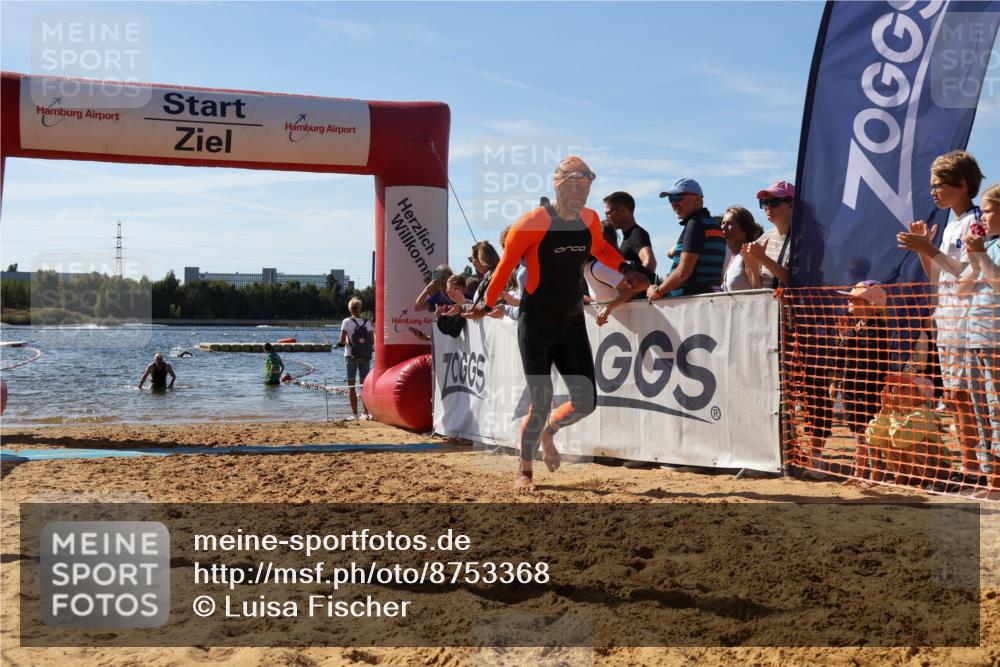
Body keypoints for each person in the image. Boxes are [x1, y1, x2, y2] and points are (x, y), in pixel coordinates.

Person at [478, 156, 641, 493]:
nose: (582, 193)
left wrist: (625, 267)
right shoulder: (531, 223)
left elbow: (602, 249)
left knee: (586, 401)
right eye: (576, 186)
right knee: (540, 402)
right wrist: (486, 302)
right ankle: (525, 470)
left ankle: (548, 432)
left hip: (570, 320)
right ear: (559, 184)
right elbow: (504, 267)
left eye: (587, 187)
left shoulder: (591, 219)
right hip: (536, 321)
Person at [896, 150, 985, 483]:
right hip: (948, 321)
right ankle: (970, 465)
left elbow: (969, 273)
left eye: (938, 185)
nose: (932, 192)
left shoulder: (977, 221)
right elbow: (938, 277)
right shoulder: (950, 224)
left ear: (961, 184)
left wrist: (929, 248)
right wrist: (924, 250)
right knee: (955, 398)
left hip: (972, 322)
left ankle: (980, 467)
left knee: (972, 398)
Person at [957, 182, 1000, 486]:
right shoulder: (987, 246)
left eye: (987, 210)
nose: (982, 217)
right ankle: (991, 478)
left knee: (997, 410)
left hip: (996, 342)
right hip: (975, 339)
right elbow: (961, 289)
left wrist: (981, 255)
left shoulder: (988, 248)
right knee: (980, 408)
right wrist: (975, 261)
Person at [647, 178, 726, 301]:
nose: (673, 203)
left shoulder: (695, 223)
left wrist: (657, 292)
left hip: (689, 301)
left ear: (697, 199)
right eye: (670, 199)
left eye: (678, 197)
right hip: (706, 299)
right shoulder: (711, 223)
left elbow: (683, 272)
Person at [866, 373, 943, 488]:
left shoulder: (923, 412)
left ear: (920, 394)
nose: (897, 390)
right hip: (914, 469)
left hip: (938, 467)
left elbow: (901, 440)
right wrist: (885, 411)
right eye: (897, 387)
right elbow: (872, 438)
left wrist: (895, 411)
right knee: (881, 435)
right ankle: (902, 476)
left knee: (911, 441)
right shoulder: (899, 410)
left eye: (904, 387)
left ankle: (932, 481)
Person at [744, 180, 795, 288]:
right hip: (770, 304)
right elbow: (758, 288)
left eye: (774, 202)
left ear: (792, 204)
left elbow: (797, 282)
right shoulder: (764, 239)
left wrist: (762, 258)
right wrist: (752, 267)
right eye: (764, 202)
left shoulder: (804, 239)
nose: (768, 207)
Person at [604, 191, 657, 281]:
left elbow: (650, 263)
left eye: (608, 213)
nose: (606, 217)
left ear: (622, 210)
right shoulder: (629, 236)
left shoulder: (636, 234)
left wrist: (634, 289)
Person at [338, 297, 374, 420]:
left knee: (351, 386)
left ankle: (355, 415)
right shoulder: (367, 322)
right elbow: (372, 340)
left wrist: (340, 344)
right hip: (365, 356)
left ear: (350, 308)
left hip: (350, 355)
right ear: (360, 308)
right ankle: (367, 413)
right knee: (365, 385)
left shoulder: (346, 322)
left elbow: (342, 341)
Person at [720, 206, 764, 292]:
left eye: (730, 224)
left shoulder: (749, 255)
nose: (723, 227)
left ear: (744, 230)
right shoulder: (729, 257)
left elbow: (758, 290)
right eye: (723, 223)